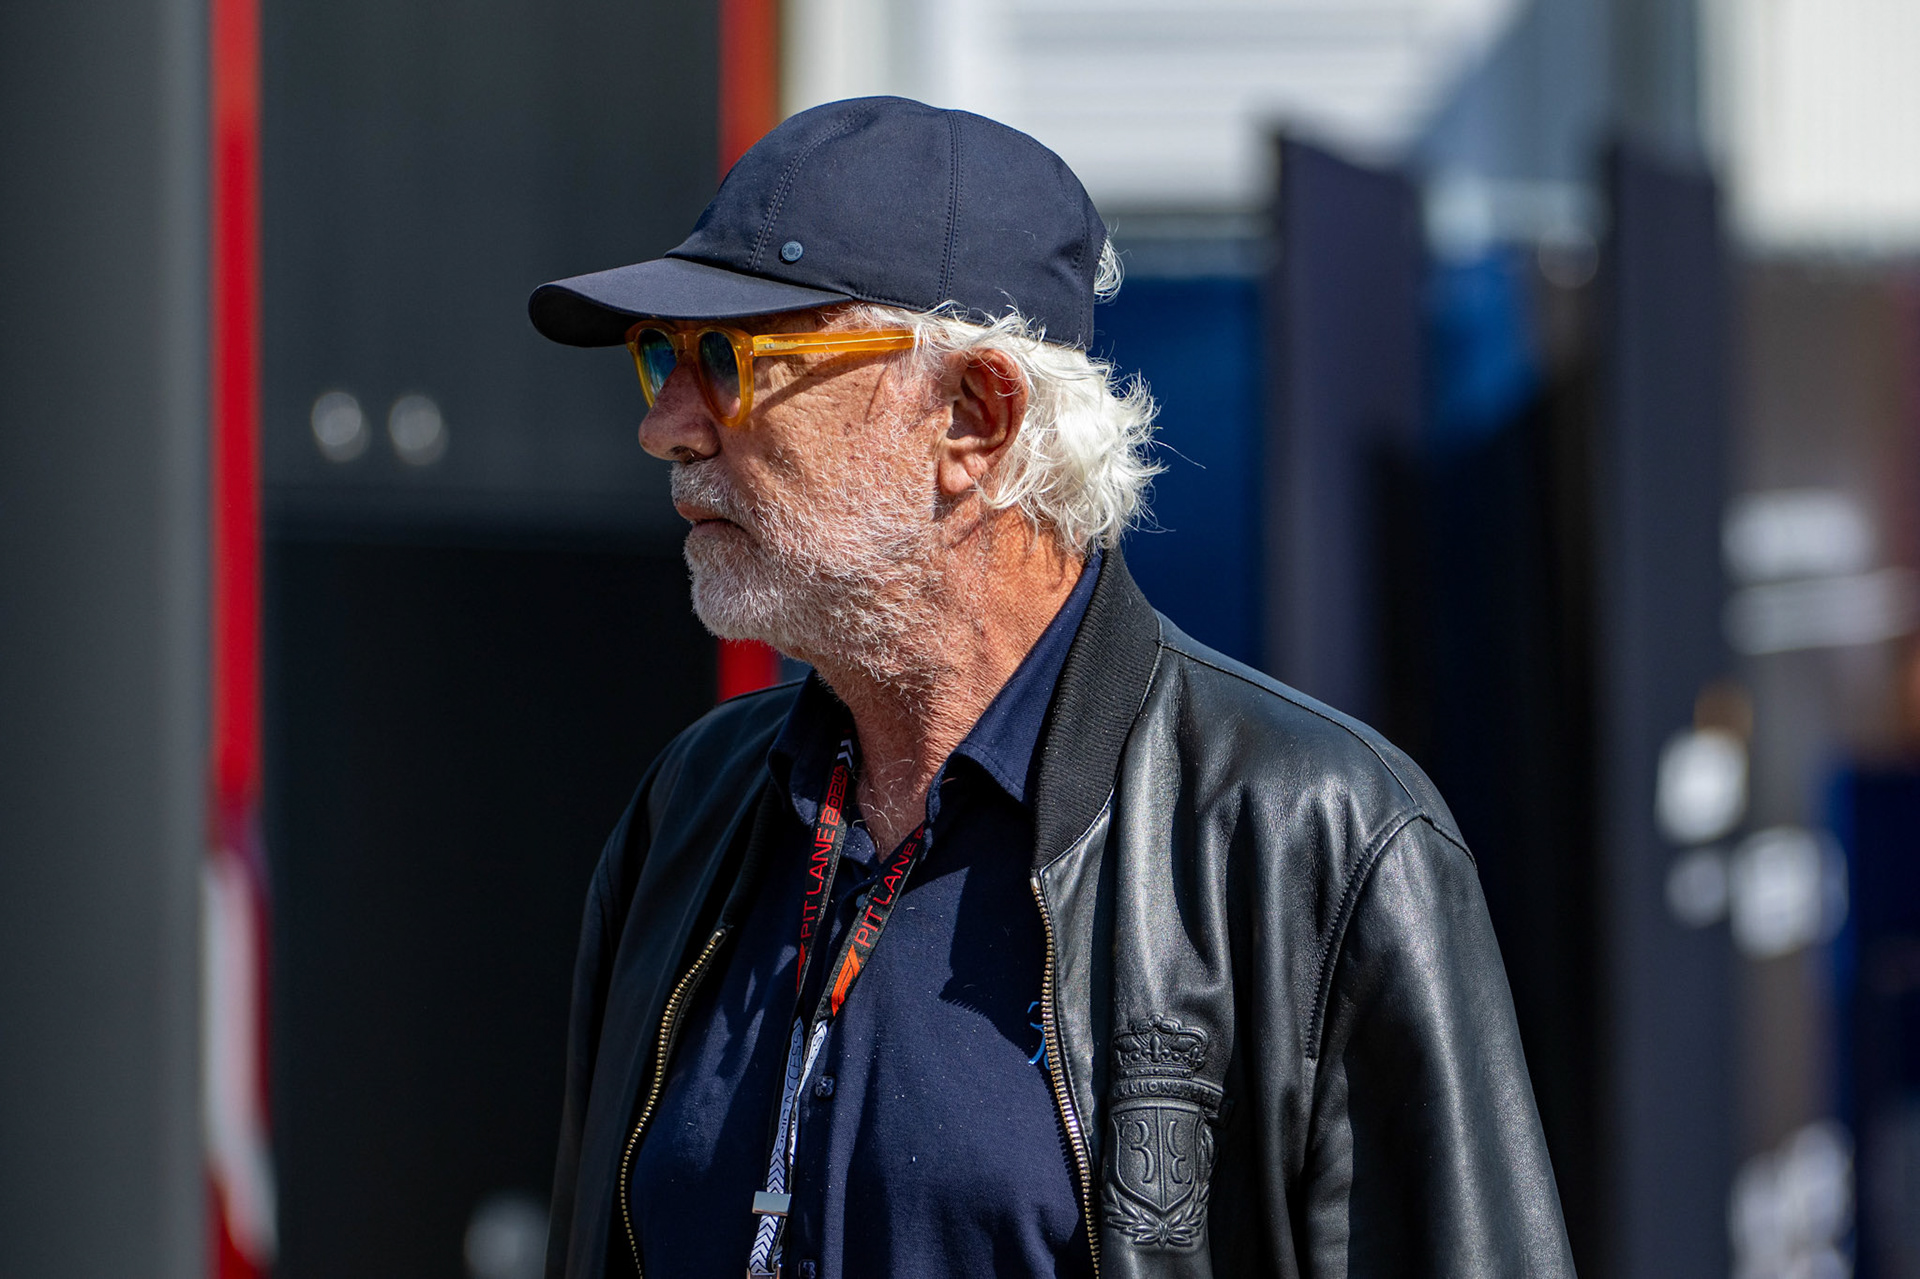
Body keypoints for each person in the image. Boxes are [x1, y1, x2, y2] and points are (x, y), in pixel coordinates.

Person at [528, 96, 1574, 1279]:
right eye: (660, 357)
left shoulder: (1309, 837)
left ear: (975, 415)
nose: (667, 425)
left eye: (731, 361)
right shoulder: (696, 807)